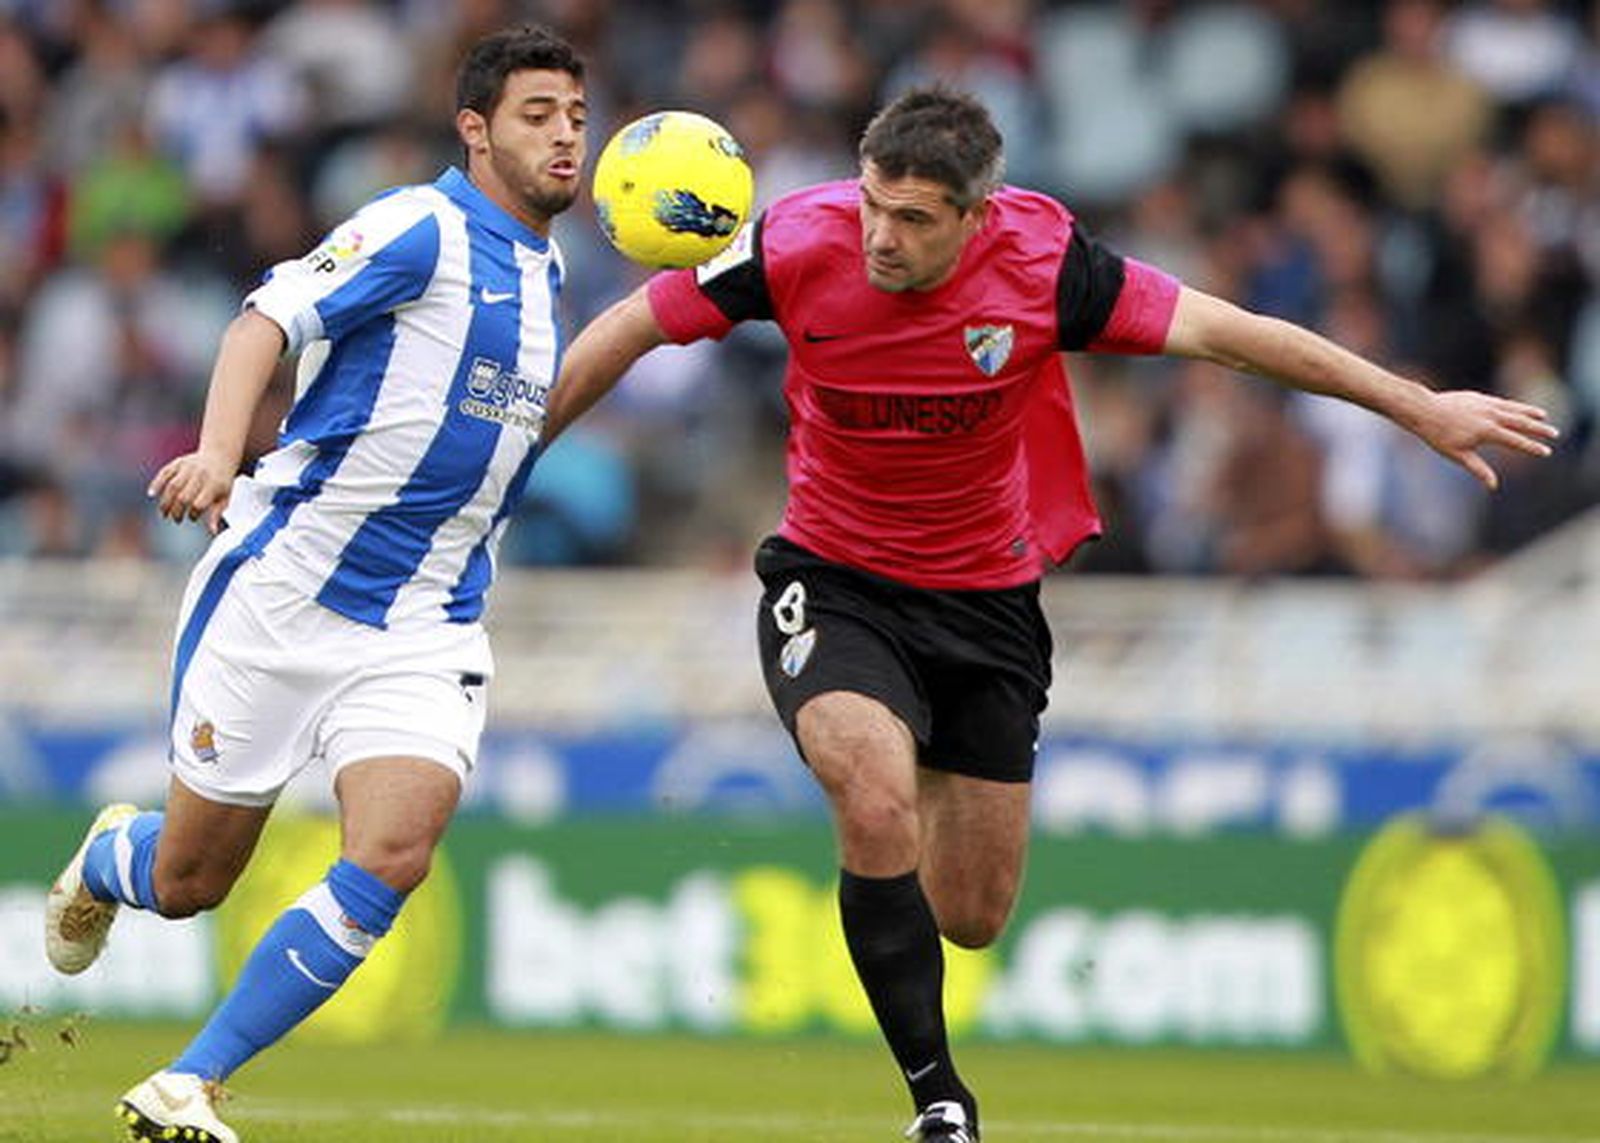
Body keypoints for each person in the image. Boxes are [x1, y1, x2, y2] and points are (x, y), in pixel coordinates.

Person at [543, 87, 1558, 1142]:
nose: (882, 238)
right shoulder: (795, 240)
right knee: (872, 792)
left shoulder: (1048, 265)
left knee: (972, 916)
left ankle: (912, 810)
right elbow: (629, 326)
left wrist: (1417, 405)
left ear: (976, 215)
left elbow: (1234, 336)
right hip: (834, 578)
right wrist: (510, 461)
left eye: (915, 220)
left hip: (984, 606)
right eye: (874, 207)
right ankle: (940, 1101)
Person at [42, 24, 587, 1143]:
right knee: (190, 880)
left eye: (579, 116)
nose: (568, 136)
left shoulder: (550, 271)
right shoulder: (417, 226)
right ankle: (110, 853)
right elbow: (263, 321)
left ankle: (186, 1084)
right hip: (283, 595)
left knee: (393, 851)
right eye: (539, 115)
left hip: (427, 621)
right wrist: (216, 450)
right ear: (475, 131)